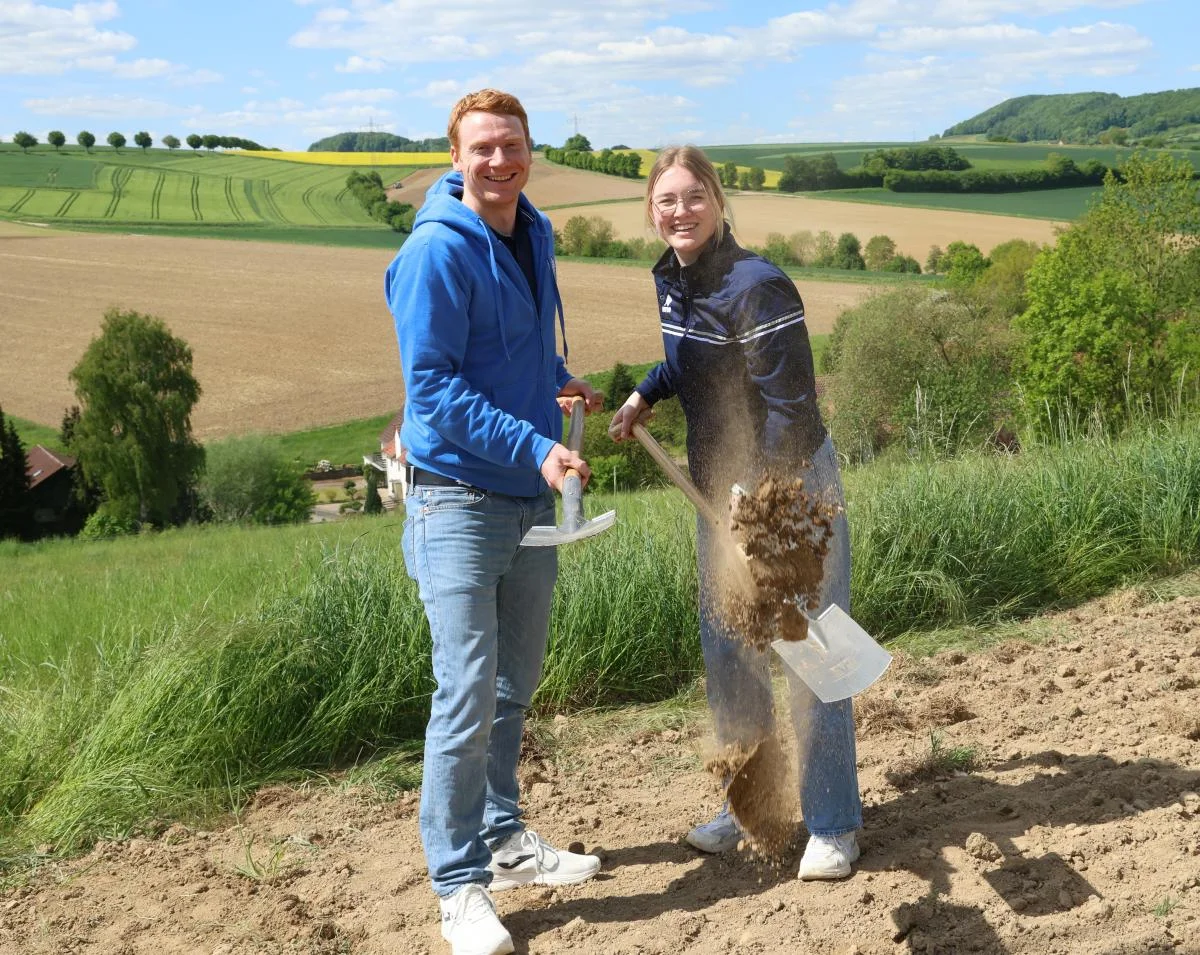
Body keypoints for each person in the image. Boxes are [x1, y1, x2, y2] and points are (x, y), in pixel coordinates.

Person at [384, 89, 604, 955]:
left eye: (511, 145)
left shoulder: (533, 230)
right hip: (457, 499)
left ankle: (507, 840)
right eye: (482, 148)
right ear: (456, 156)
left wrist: (560, 380)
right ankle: (457, 886)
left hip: (523, 492)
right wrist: (535, 444)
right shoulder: (435, 251)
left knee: (513, 684)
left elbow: (514, 349)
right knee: (466, 691)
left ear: (529, 150)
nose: (499, 161)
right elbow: (433, 385)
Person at [609, 146, 863, 881]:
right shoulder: (675, 279)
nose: (679, 211)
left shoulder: (760, 286)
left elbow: (790, 408)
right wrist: (645, 393)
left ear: (718, 201)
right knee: (731, 651)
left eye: (693, 197)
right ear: (652, 211)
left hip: (788, 492)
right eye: (666, 201)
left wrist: (761, 496)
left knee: (808, 646)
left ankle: (833, 822)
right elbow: (693, 359)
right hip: (717, 490)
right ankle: (755, 810)